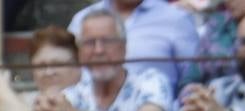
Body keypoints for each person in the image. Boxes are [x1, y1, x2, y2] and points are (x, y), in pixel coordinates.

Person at [40, 8, 173, 111]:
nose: (99, 50)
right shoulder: (73, 96)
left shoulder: (150, 82)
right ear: (80, 52)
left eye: (108, 41)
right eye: (90, 43)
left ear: (124, 47)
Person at [68, 0, 200, 94]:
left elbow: (193, 80)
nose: (99, 50)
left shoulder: (176, 19)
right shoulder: (81, 20)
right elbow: (68, 72)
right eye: (90, 42)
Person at [0, 26, 82, 111]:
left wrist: (1, 91)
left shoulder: (88, 97)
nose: (49, 72)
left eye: (57, 64)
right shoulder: (22, 100)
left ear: (78, 66)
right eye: (41, 66)